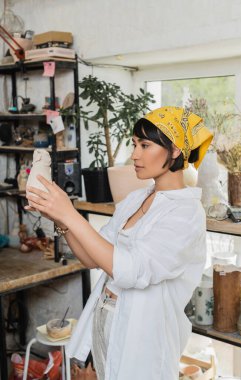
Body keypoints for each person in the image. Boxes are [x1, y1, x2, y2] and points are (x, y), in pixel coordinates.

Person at [26, 106, 213, 380]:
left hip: (145, 334)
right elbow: (92, 257)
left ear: (175, 150)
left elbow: (132, 270)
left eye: (145, 145)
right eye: (135, 144)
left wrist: (70, 212)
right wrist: (60, 219)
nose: (135, 154)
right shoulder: (137, 199)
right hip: (107, 318)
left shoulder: (186, 213)